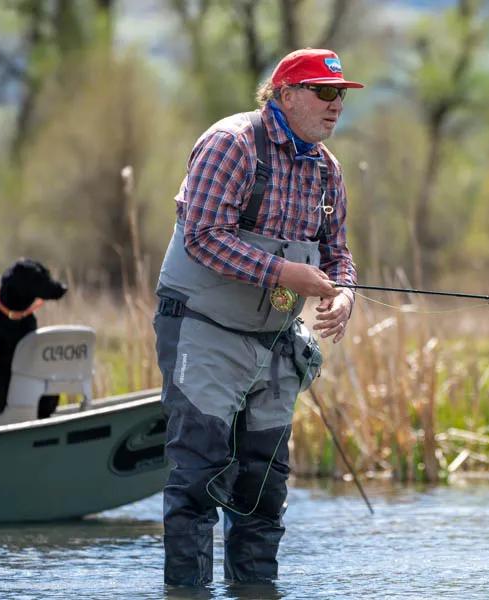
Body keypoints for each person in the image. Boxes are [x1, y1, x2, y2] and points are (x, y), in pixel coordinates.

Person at [152, 48, 362, 586]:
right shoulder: (233, 144)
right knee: (197, 479)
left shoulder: (327, 173)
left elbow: (338, 255)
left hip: (273, 343)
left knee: (263, 491)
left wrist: (343, 296)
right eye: (325, 92)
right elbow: (202, 237)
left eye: (341, 94)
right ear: (285, 95)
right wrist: (284, 274)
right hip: (202, 329)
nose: (336, 105)